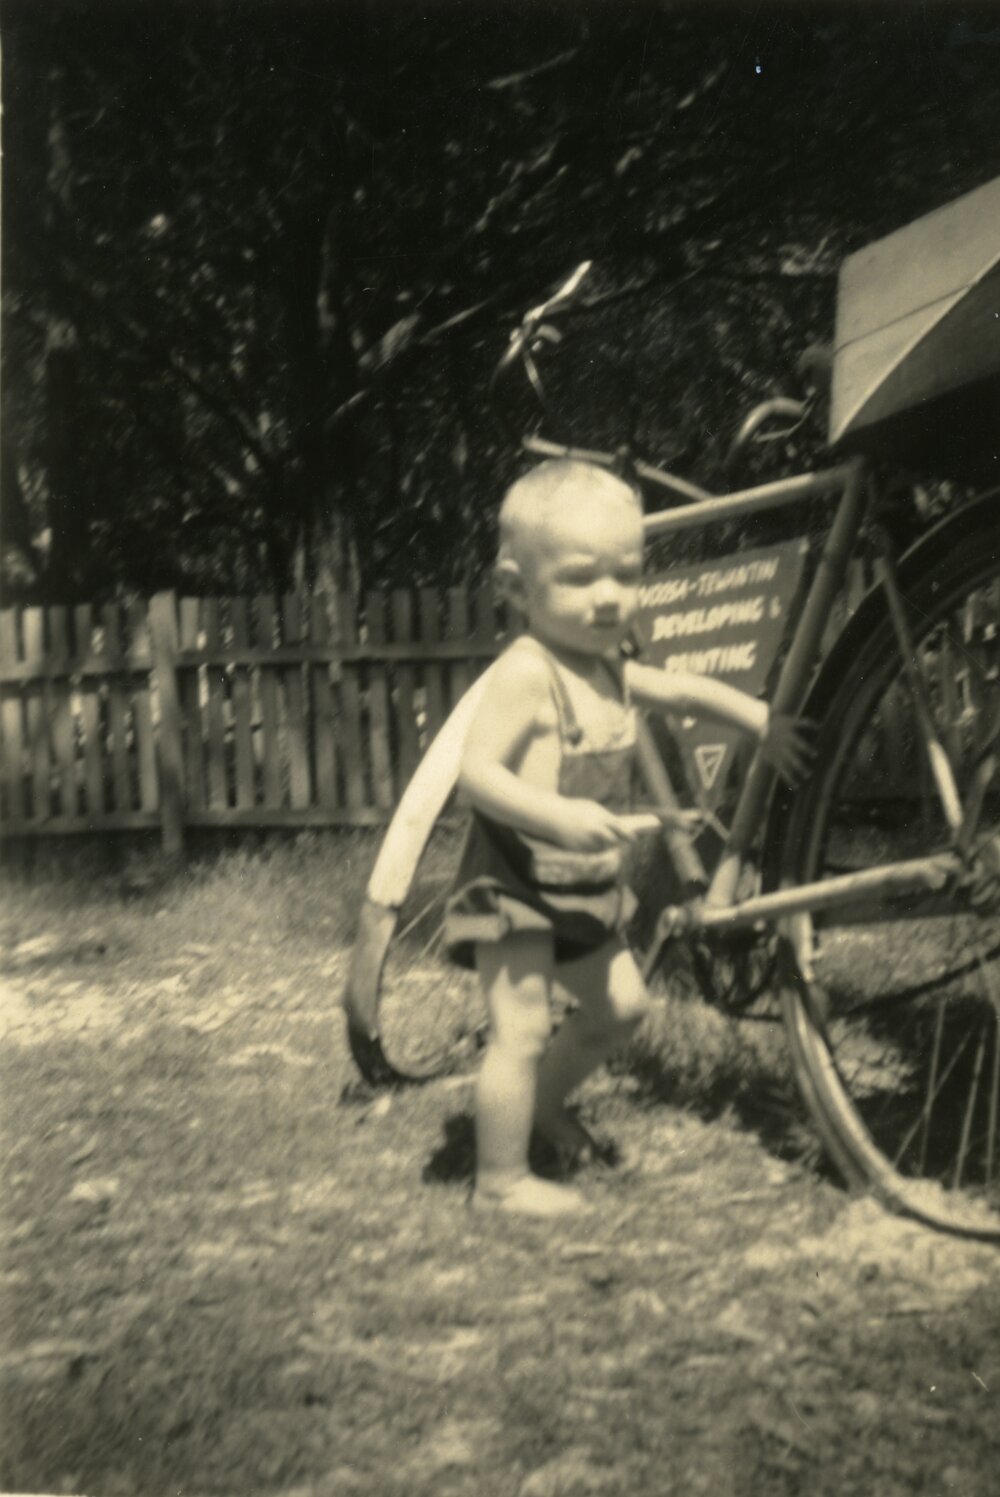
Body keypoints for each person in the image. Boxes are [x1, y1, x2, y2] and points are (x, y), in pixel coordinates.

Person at [444, 459, 814, 1218]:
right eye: (583, 578)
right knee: (518, 1028)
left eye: (627, 574)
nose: (611, 596)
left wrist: (760, 722)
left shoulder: (607, 666)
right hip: (511, 882)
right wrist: (558, 814)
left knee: (622, 1007)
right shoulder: (526, 672)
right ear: (516, 586)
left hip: (574, 883)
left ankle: (543, 1107)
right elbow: (475, 775)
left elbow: (678, 688)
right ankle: (500, 1178)